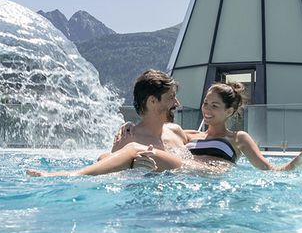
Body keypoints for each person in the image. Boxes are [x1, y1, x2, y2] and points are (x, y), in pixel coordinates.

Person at [26, 69, 190, 176]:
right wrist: (134, 170)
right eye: (171, 98)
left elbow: (206, 136)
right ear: (152, 101)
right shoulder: (128, 139)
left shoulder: (176, 131)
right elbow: (110, 176)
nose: (177, 103)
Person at [182, 82, 302, 172]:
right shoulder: (189, 135)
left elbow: (271, 170)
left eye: (214, 106)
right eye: (205, 103)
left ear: (229, 111)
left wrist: (300, 160)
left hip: (215, 189)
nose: (207, 109)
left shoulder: (238, 138)